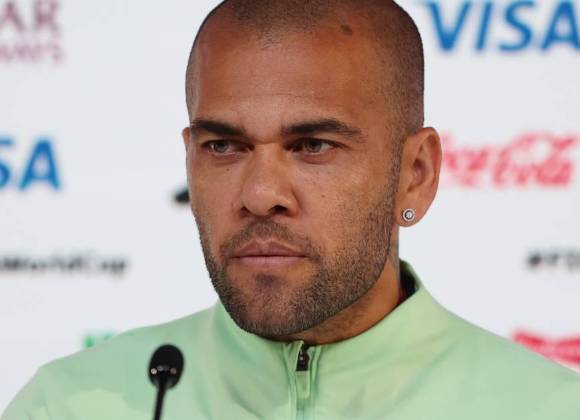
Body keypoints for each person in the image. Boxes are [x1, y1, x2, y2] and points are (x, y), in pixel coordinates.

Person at [3, 1, 580, 419]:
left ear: (416, 175)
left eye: (313, 146)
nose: (260, 195)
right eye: (223, 146)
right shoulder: (68, 404)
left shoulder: (547, 408)